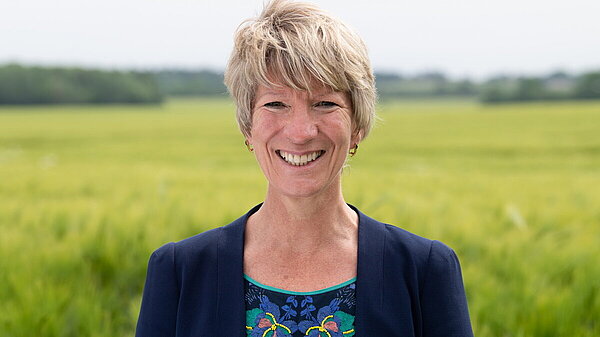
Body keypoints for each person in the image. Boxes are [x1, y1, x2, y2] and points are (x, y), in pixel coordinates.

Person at [135, 0, 474, 336]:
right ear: (247, 126)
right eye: (276, 104)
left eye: (325, 103)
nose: (300, 132)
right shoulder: (179, 273)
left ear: (357, 125)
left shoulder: (425, 271)